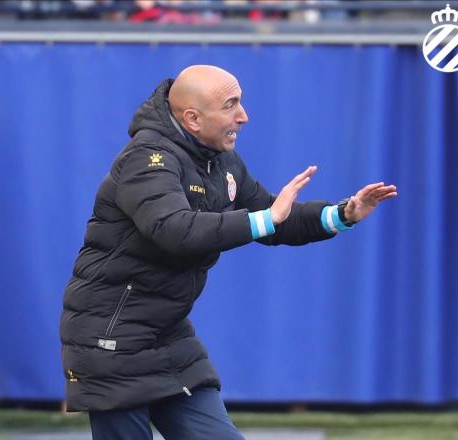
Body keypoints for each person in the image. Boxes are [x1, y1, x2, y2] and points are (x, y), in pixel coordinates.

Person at [60, 65, 397, 439]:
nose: (244, 116)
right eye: (231, 105)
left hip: (167, 334)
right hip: (110, 339)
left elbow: (275, 218)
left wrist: (342, 213)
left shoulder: (221, 162)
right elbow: (176, 230)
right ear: (193, 118)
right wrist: (265, 218)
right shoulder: (147, 159)